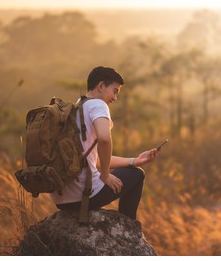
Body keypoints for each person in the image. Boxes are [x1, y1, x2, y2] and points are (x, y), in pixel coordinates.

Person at [50, 66, 158, 220]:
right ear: (101, 86)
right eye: (114, 91)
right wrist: (105, 176)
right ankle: (129, 228)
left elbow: (93, 160)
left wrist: (134, 161)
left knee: (134, 168)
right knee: (137, 174)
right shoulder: (98, 105)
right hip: (86, 195)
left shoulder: (76, 109)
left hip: (62, 201)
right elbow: (105, 139)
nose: (115, 98)